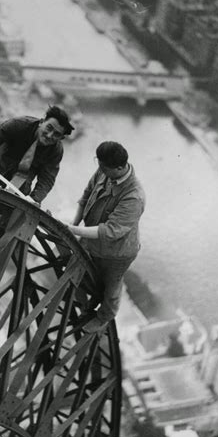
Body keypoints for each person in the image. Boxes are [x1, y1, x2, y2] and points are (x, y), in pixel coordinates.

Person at [67, 141, 145, 335]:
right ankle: (93, 300)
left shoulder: (134, 196)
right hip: (92, 240)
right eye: (99, 164)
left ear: (120, 168)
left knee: (112, 285)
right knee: (90, 275)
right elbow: (86, 196)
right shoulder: (104, 171)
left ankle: (104, 317)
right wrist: (75, 224)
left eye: (104, 167)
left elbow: (110, 232)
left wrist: (72, 230)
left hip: (117, 252)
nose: (99, 169)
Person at [0, 106, 74, 204]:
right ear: (41, 122)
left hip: (22, 184)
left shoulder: (56, 151)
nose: (49, 135)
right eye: (49, 128)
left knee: (14, 208)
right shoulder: (18, 125)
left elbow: (47, 180)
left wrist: (33, 200)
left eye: (56, 134)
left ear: (61, 138)